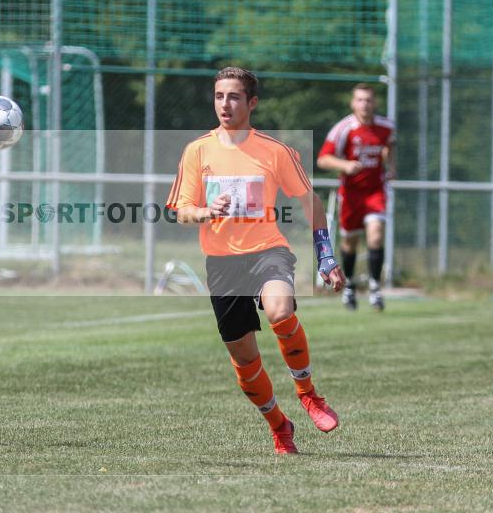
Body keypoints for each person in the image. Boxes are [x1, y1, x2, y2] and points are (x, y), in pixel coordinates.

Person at [166, 67, 346, 455]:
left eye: (233, 96)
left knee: (280, 311)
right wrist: (206, 211)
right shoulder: (197, 150)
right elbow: (180, 211)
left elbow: (311, 202)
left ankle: (309, 393)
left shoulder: (276, 151)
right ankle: (280, 426)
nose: (224, 104)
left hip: (268, 251)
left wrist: (326, 256)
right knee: (244, 359)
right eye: (218, 96)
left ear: (252, 103)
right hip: (222, 264)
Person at [317, 83, 395, 311]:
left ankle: (375, 289)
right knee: (349, 243)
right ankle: (349, 286)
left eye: (368, 100)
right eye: (360, 100)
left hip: (375, 192)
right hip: (351, 195)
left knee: (375, 236)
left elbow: (391, 146)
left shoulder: (386, 127)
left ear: (375, 103)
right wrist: (345, 165)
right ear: (353, 103)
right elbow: (323, 159)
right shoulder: (343, 128)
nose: (364, 104)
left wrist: (392, 165)